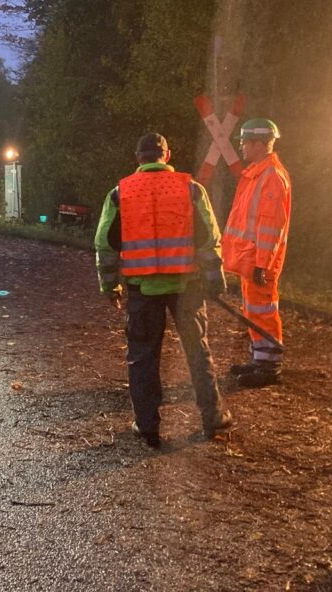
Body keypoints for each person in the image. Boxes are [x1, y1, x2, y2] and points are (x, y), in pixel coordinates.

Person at [95, 132, 231, 447]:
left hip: (143, 290)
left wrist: (110, 285)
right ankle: (213, 418)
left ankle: (147, 426)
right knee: (198, 351)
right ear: (166, 156)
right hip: (187, 286)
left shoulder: (120, 194)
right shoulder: (191, 189)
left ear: (138, 158)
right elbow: (209, 239)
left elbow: (105, 244)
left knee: (143, 357)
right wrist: (214, 279)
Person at [222, 118, 292, 388]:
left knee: (263, 310)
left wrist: (263, 264)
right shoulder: (258, 174)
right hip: (250, 259)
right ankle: (259, 360)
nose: (242, 146)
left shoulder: (271, 177)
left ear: (260, 144)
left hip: (259, 261)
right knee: (254, 310)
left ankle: (269, 367)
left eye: (245, 142)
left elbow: (271, 226)